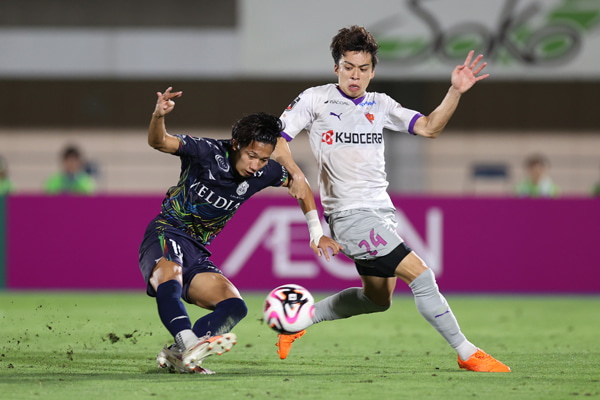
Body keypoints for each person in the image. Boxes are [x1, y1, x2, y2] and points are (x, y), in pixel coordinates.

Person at [271, 25, 510, 372]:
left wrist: (455, 92)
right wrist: (295, 173)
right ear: (336, 67)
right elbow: (277, 140)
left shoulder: (380, 104)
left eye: (363, 69)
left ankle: (298, 321)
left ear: (372, 71)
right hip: (350, 216)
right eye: (348, 67)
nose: (355, 76)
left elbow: (429, 128)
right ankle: (466, 352)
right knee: (422, 276)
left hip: (381, 213)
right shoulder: (314, 99)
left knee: (377, 299)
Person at [139, 87, 342, 374]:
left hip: (197, 249)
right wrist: (158, 116)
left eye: (263, 159)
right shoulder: (205, 151)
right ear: (236, 144)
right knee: (169, 276)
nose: (256, 165)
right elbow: (159, 142)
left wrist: (315, 231)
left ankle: (177, 354)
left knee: (234, 305)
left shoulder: (264, 172)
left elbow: (301, 187)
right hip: (167, 231)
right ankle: (188, 342)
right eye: (251, 155)